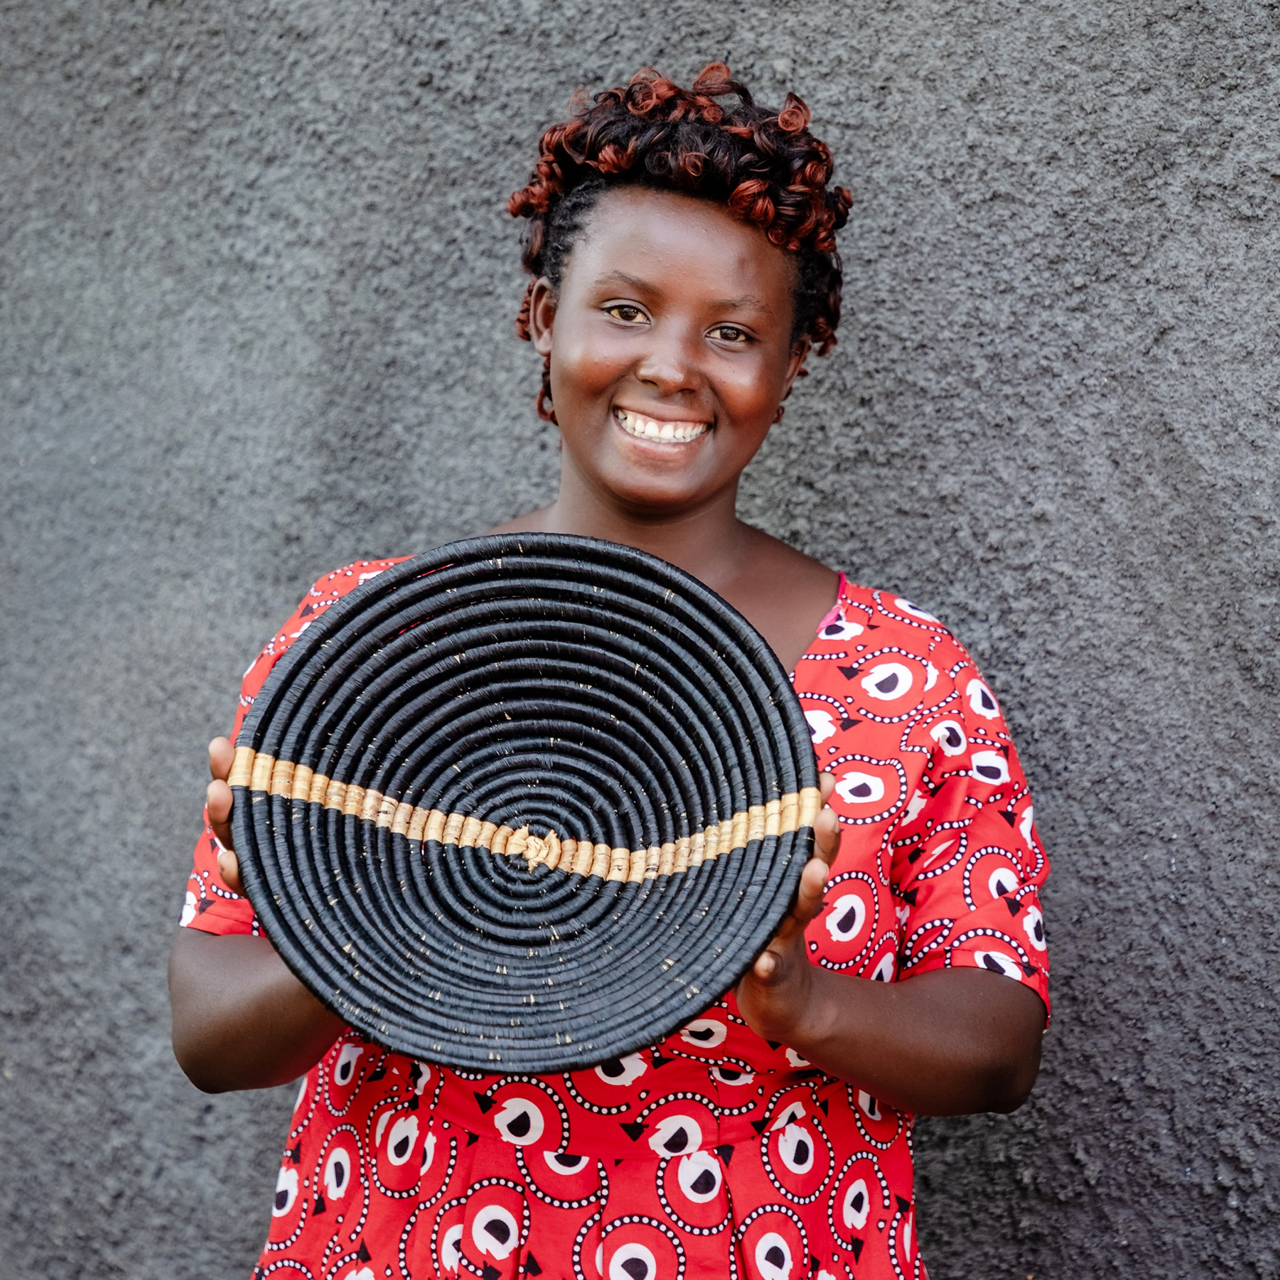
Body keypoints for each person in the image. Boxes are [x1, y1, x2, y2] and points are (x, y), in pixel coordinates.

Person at [169, 64, 1050, 1280]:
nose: (672, 366)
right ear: (543, 315)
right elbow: (211, 1031)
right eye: (623, 309)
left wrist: (802, 1000)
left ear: (794, 364)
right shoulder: (368, 644)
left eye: (733, 331)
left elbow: (999, 1044)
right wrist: (364, 923)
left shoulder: (909, 674)